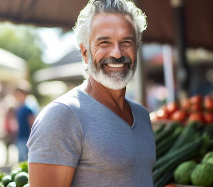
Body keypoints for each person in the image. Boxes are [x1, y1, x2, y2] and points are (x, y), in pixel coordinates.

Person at [27, 0, 156, 186]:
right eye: (104, 42)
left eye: (127, 42)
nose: (118, 53)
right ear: (85, 53)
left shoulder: (142, 116)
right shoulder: (62, 116)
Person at [14, 86, 35, 162]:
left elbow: (32, 124)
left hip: (26, 138)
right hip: (20, 137)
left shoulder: (28, 108)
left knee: (25, 161)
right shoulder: (19, 107)